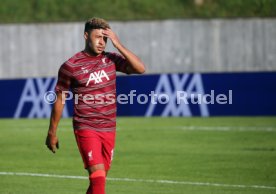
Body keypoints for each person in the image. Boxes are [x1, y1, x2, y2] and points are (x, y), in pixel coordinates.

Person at [45, 17, 145, 194]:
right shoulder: (71, 66)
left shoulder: (111, 59)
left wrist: (118, 44)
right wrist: (52, 132)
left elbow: (140, 68)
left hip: (109, 128)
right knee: (98, 180)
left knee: (98, 182)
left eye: (105, 38)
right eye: (98, 37)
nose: (102, 42)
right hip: (86, 127)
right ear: (86, 36)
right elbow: (60, 99)